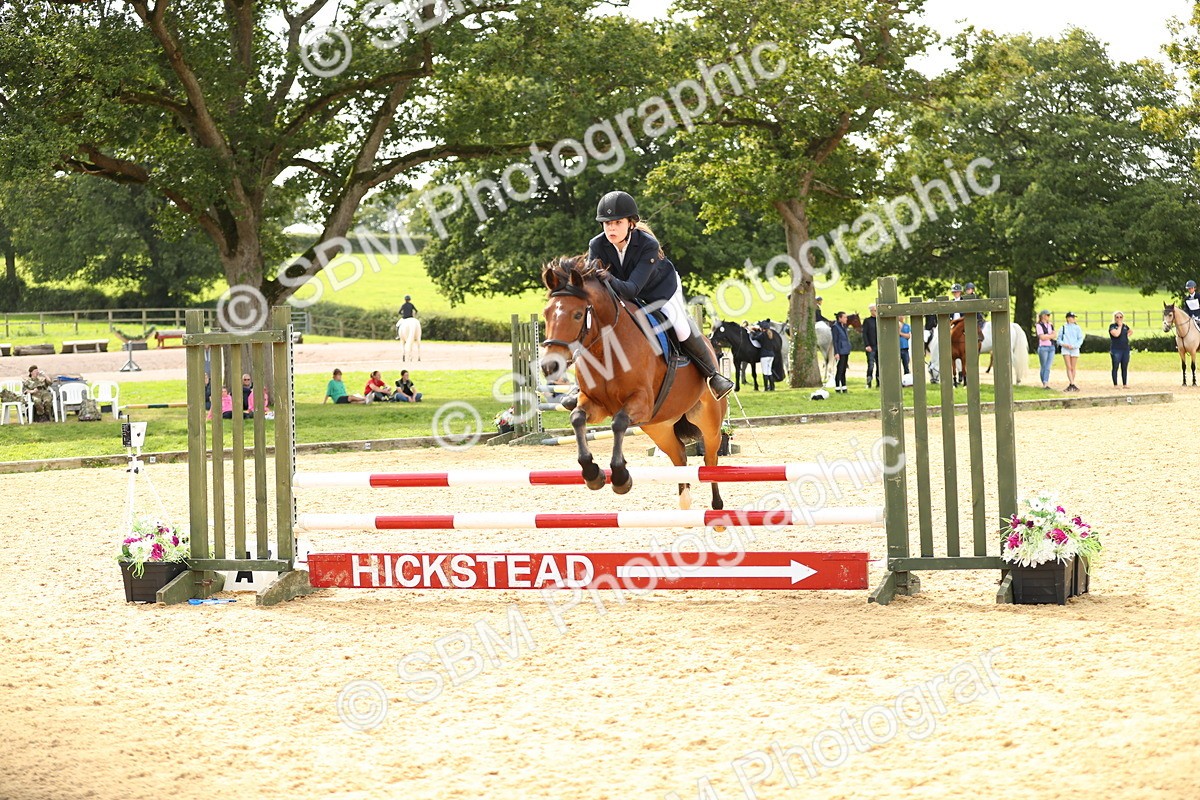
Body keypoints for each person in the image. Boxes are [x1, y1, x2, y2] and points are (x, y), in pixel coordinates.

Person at [589, 190, 733, 399]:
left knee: (680, 326)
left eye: (617, 222)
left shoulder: (648, 244)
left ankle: (713, 375)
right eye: (606, 223)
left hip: (660, 291)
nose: (611, 228)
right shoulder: (597, 245)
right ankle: (582, 384)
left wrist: (608, 278)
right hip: (621, 292)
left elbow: (632, 289)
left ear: (630, 223)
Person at [1057, 311, 1084, 392]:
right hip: (1066, 348)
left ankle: (1072, 382)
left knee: (1073, 367)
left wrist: (1075, 345)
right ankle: (1071, 383)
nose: (1073, 319)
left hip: (1074, 349)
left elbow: (1080, 339)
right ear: (1068, 319)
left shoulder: (1077, 328)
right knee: (1068, 366)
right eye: (1071, 318)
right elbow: (1059, 340)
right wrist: (1065, 345)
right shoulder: (1063, 328)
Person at [1108, 311, 1132, 387]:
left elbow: (1130, 331)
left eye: (1120, 317)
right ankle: (1115, 384)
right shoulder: (1112, 326)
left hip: (1125, 349)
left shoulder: (1125, 326)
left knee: (1124, 366)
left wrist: (1126, 335)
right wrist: (1120, 326)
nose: (1119, 319)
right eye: (1117, 317)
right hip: (1116, 350)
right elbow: (1116, 334)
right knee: (1115, 366)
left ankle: (1125, 384)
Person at [751, 321, 776, 391]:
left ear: (762, 328)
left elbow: (754, 338)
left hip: (764, 355)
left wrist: (752, 332)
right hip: (771, 355)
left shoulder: (763, 335)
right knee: (769, 371)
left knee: (765, 372)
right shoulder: (770, 334)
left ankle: (766, 388)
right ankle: (772, 387)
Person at [1035, 310, 1056, 389]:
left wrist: (1047, 336)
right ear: (1043, 316)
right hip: (1043, 347)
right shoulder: (1039, 325)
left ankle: (1045, 382)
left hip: (1051, 347)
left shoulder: (1050, 325)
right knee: (1043, 366)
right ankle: (1044, 382)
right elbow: (1042, 337)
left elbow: (1054, 334)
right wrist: (1050, 336)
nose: (1048, 317)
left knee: (1048, 366)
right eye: (1047, 315)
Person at [832, 311, 852, 393]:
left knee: (844, 369)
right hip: (840, 351)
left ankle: (844, 386)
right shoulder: (835, 327)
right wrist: (836, 352)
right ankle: (837, 386)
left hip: (845, 350)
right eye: (844, 317)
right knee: (839, 369)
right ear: (840, 318)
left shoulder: (843, 327)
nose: (846, 319)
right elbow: (835, 341)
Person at [862, 304, 878, 388]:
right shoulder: (867, 321)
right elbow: (864, 333)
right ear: (871, 311)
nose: (876, 312)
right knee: (871, 365)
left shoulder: (879, 320)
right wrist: (867, 345)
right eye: (875, 310)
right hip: (871, 346)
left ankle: (879, 382)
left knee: (880, 365)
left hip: (879, 346)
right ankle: (869, 382)